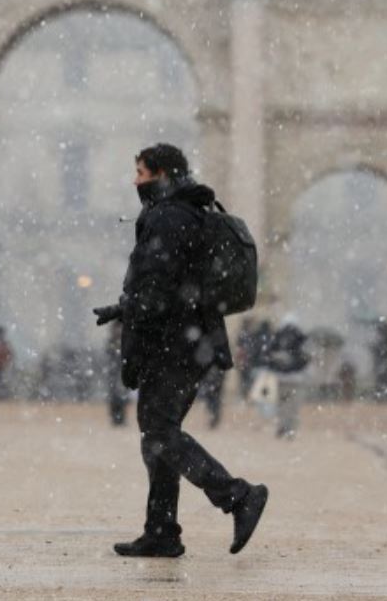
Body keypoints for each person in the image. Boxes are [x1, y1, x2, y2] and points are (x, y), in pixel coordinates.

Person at [93, 143, 268, 560]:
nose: (134, 180)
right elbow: (171, 283)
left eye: (140, 172)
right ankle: (161, 531)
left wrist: (128, 308)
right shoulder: (188, 211)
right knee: (159, 433)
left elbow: (156, 286)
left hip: (173, 343)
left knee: (159, 431)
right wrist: (126, 307)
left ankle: (237, 495)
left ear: (161, 174)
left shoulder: (168, 216)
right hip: (189, 340)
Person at [267, 315, 310, 439]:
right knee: (293, 406)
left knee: (282, 404)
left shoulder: (278, 337)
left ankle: (283, 426)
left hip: (281, 378)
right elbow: (305, 359)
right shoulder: (301, 338)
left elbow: (268, 356)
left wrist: (278, 364)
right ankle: (290, 428)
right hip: (296, 379)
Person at [371, 316, 387, 402]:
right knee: (382, 379)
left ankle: (385, 395)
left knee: (384, 379)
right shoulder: (383, 338)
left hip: (384, 362)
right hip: (382, 362)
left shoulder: (386, 338)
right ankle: (382, 395)